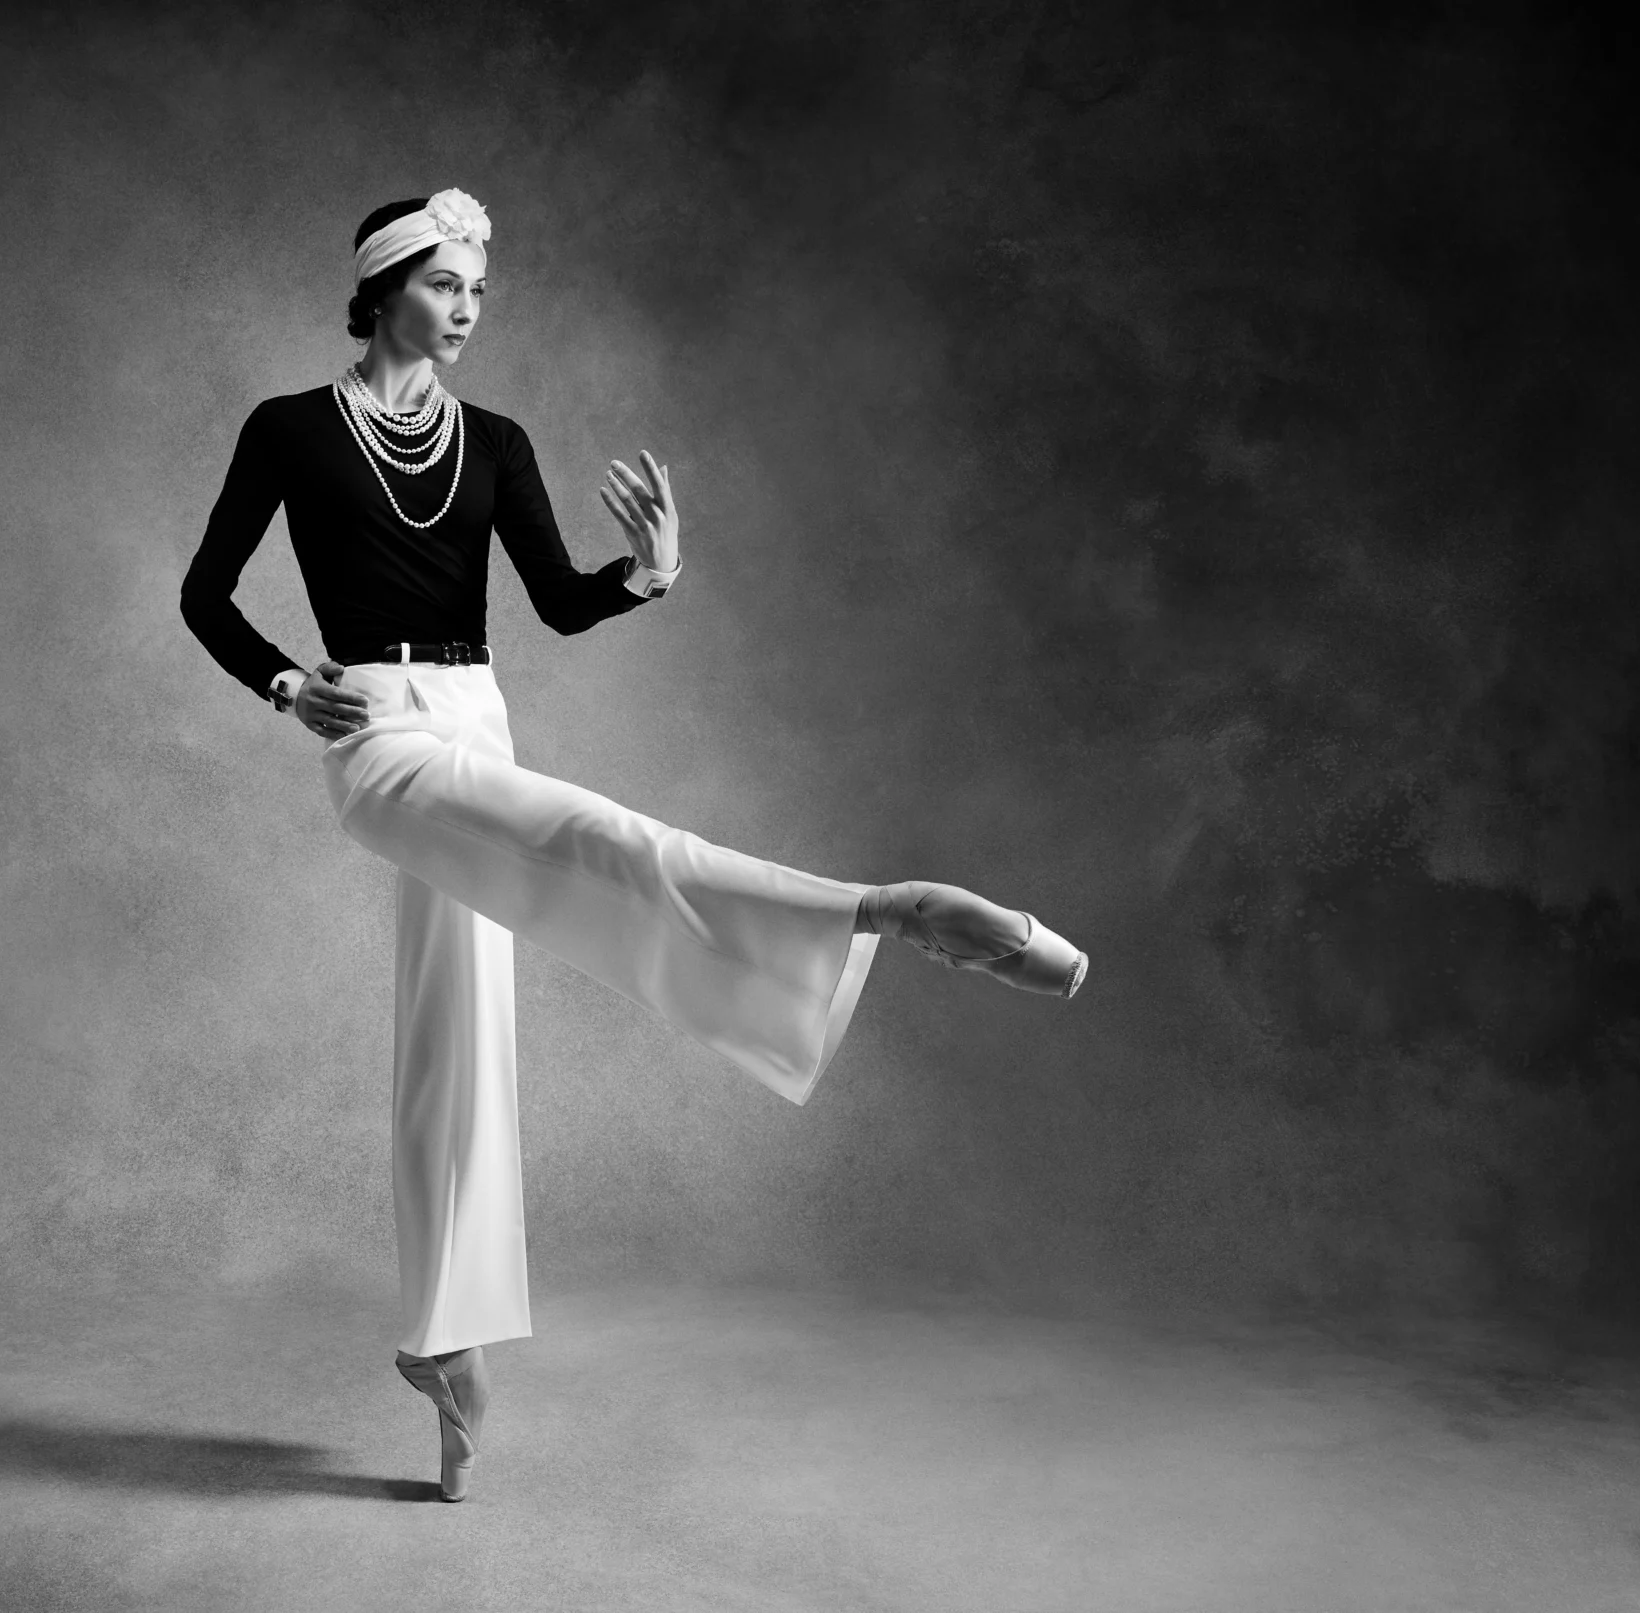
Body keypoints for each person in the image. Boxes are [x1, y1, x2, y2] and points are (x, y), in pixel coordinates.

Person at [179, 189, 1087, 1502]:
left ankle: (444, 1347)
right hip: (376, 736)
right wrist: (282, 687)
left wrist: (645, 574)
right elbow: (207, 593)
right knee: (600, 838)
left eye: (480, 294)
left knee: (459, 1033)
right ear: (381, 289)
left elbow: (553, 599)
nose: (469, 311)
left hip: (478, 720)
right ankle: (867, 912)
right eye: (447, 287)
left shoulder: (493, 441)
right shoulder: (289, 431)